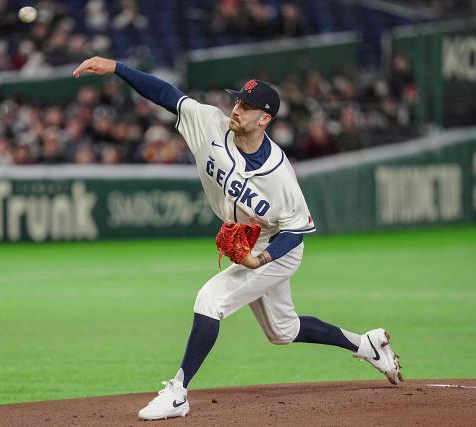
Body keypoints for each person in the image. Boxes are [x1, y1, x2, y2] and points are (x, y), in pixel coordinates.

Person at [73, 57, 403, 421]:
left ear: (265, 119)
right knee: (283, 330)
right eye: (237, 101)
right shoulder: (211, 124)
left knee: (210, 299)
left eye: (247, 107)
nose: (237, 109)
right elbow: (168, 95)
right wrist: (117, 67)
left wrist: (260, 260)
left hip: (276, 249)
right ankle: (366, 344)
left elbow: (297, 229)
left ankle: (178, 392)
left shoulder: (279, 175)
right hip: (251, 244)